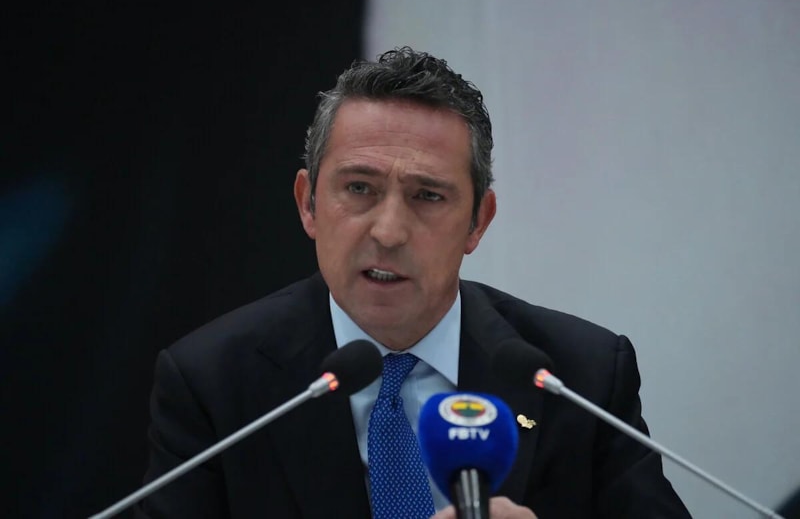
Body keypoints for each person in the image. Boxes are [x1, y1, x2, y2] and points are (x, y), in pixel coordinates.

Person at [135, 46, 691, 518]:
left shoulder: (580, 376)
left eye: (428, 196)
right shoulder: (214, 382)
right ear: (308, 203)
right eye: (359, 188)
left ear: (478, 221)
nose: (389, 231)